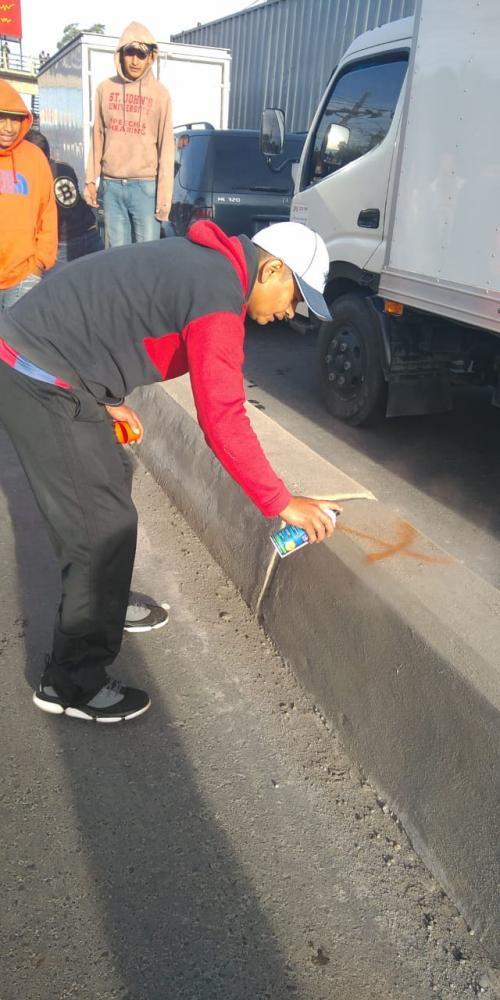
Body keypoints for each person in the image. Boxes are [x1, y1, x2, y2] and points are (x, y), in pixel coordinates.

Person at [0, 218, 338, 724]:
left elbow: (108, 316)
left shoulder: (206, 264)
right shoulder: (218, 297)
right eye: (295, 298)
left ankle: (103, 606)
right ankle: (71, 683)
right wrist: (281, 502)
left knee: (111, 481)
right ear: (270, 270)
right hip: (36, 373)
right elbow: (223, 416)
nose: (291, 313)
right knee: (100, 529)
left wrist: (103, 399)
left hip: (52, 364)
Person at [83, 21, 174, 246]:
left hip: (145, 187)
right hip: (111, 187)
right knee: (115, 256)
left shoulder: (161, 95)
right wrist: (90, 180)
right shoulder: (105, 89)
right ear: (120, 54)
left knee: (146, 256)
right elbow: (98, 137)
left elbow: (166, 150)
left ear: (150, 58)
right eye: (129, 52)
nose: (134, 60)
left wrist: (163, 199)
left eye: (141, 54)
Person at [0, 82, 57, 309]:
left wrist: (39, 263)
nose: (8, 127)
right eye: (2, 118)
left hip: (24, 274)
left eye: (15, 119)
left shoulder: (34, 157)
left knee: (16, 343)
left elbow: (48, 212)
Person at [25, 129, 104, 263]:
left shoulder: (35, 176)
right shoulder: (65, 168)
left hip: (64, 242)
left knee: (62, 282)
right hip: (90, 232)